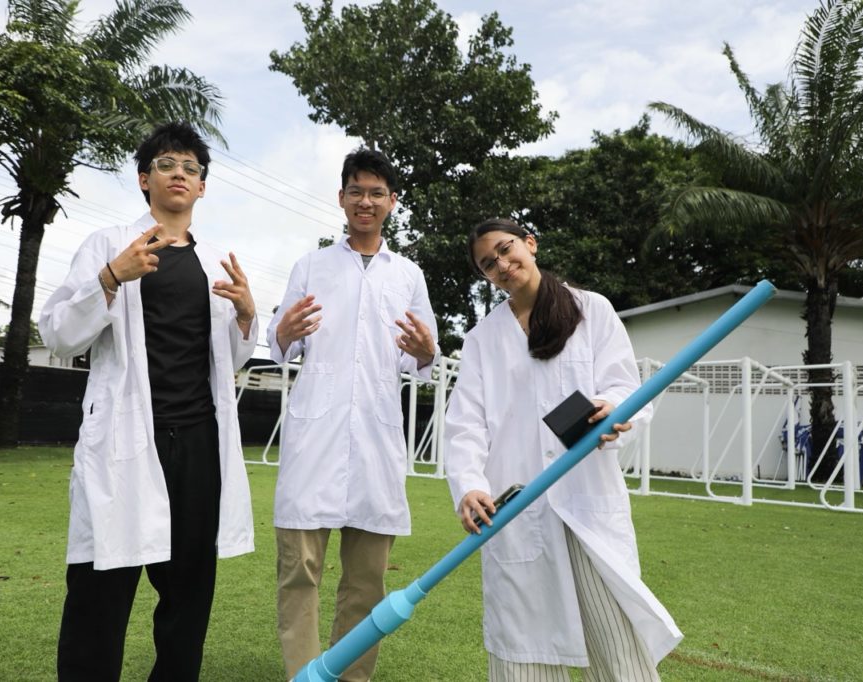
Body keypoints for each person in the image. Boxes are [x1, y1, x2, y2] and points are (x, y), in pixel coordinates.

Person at [38, 121, 257, 681]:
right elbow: (59, 335)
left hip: (199, 441)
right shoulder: (109, 245)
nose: (178, 174)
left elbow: (227, 362)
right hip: (126, 438)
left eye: (190, 167)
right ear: (144, 179)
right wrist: (111, 277)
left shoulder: (215, 263)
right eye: (166, 165)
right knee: (100, 585)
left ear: (202, 186)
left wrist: (246, 316)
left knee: (188, 591)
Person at [443, 218, 682, 681]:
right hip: (519, 509)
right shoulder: (482, 340)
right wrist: (469, 486)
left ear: (530, 244)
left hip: (586, 500)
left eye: (506, 249)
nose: (502, 265)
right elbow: (466, 425)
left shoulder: (592, 310)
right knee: (523, 650)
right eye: (488, 264)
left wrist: (613, 411)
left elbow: (623, 386)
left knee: (618, 649)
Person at [266, 148, 439, 681]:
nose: (366, 201)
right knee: (299, 572)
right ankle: (304, 675)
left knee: (367, 582)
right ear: (341, 198)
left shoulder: (408, 274)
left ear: (392, 201)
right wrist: (284, 332)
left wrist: (426, 351)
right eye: (356, 191)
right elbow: (281, 344)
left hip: (376, 440)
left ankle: (352, 676)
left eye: (376, 193)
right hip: (313, 436)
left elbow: (422, 356)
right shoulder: (311, 266)